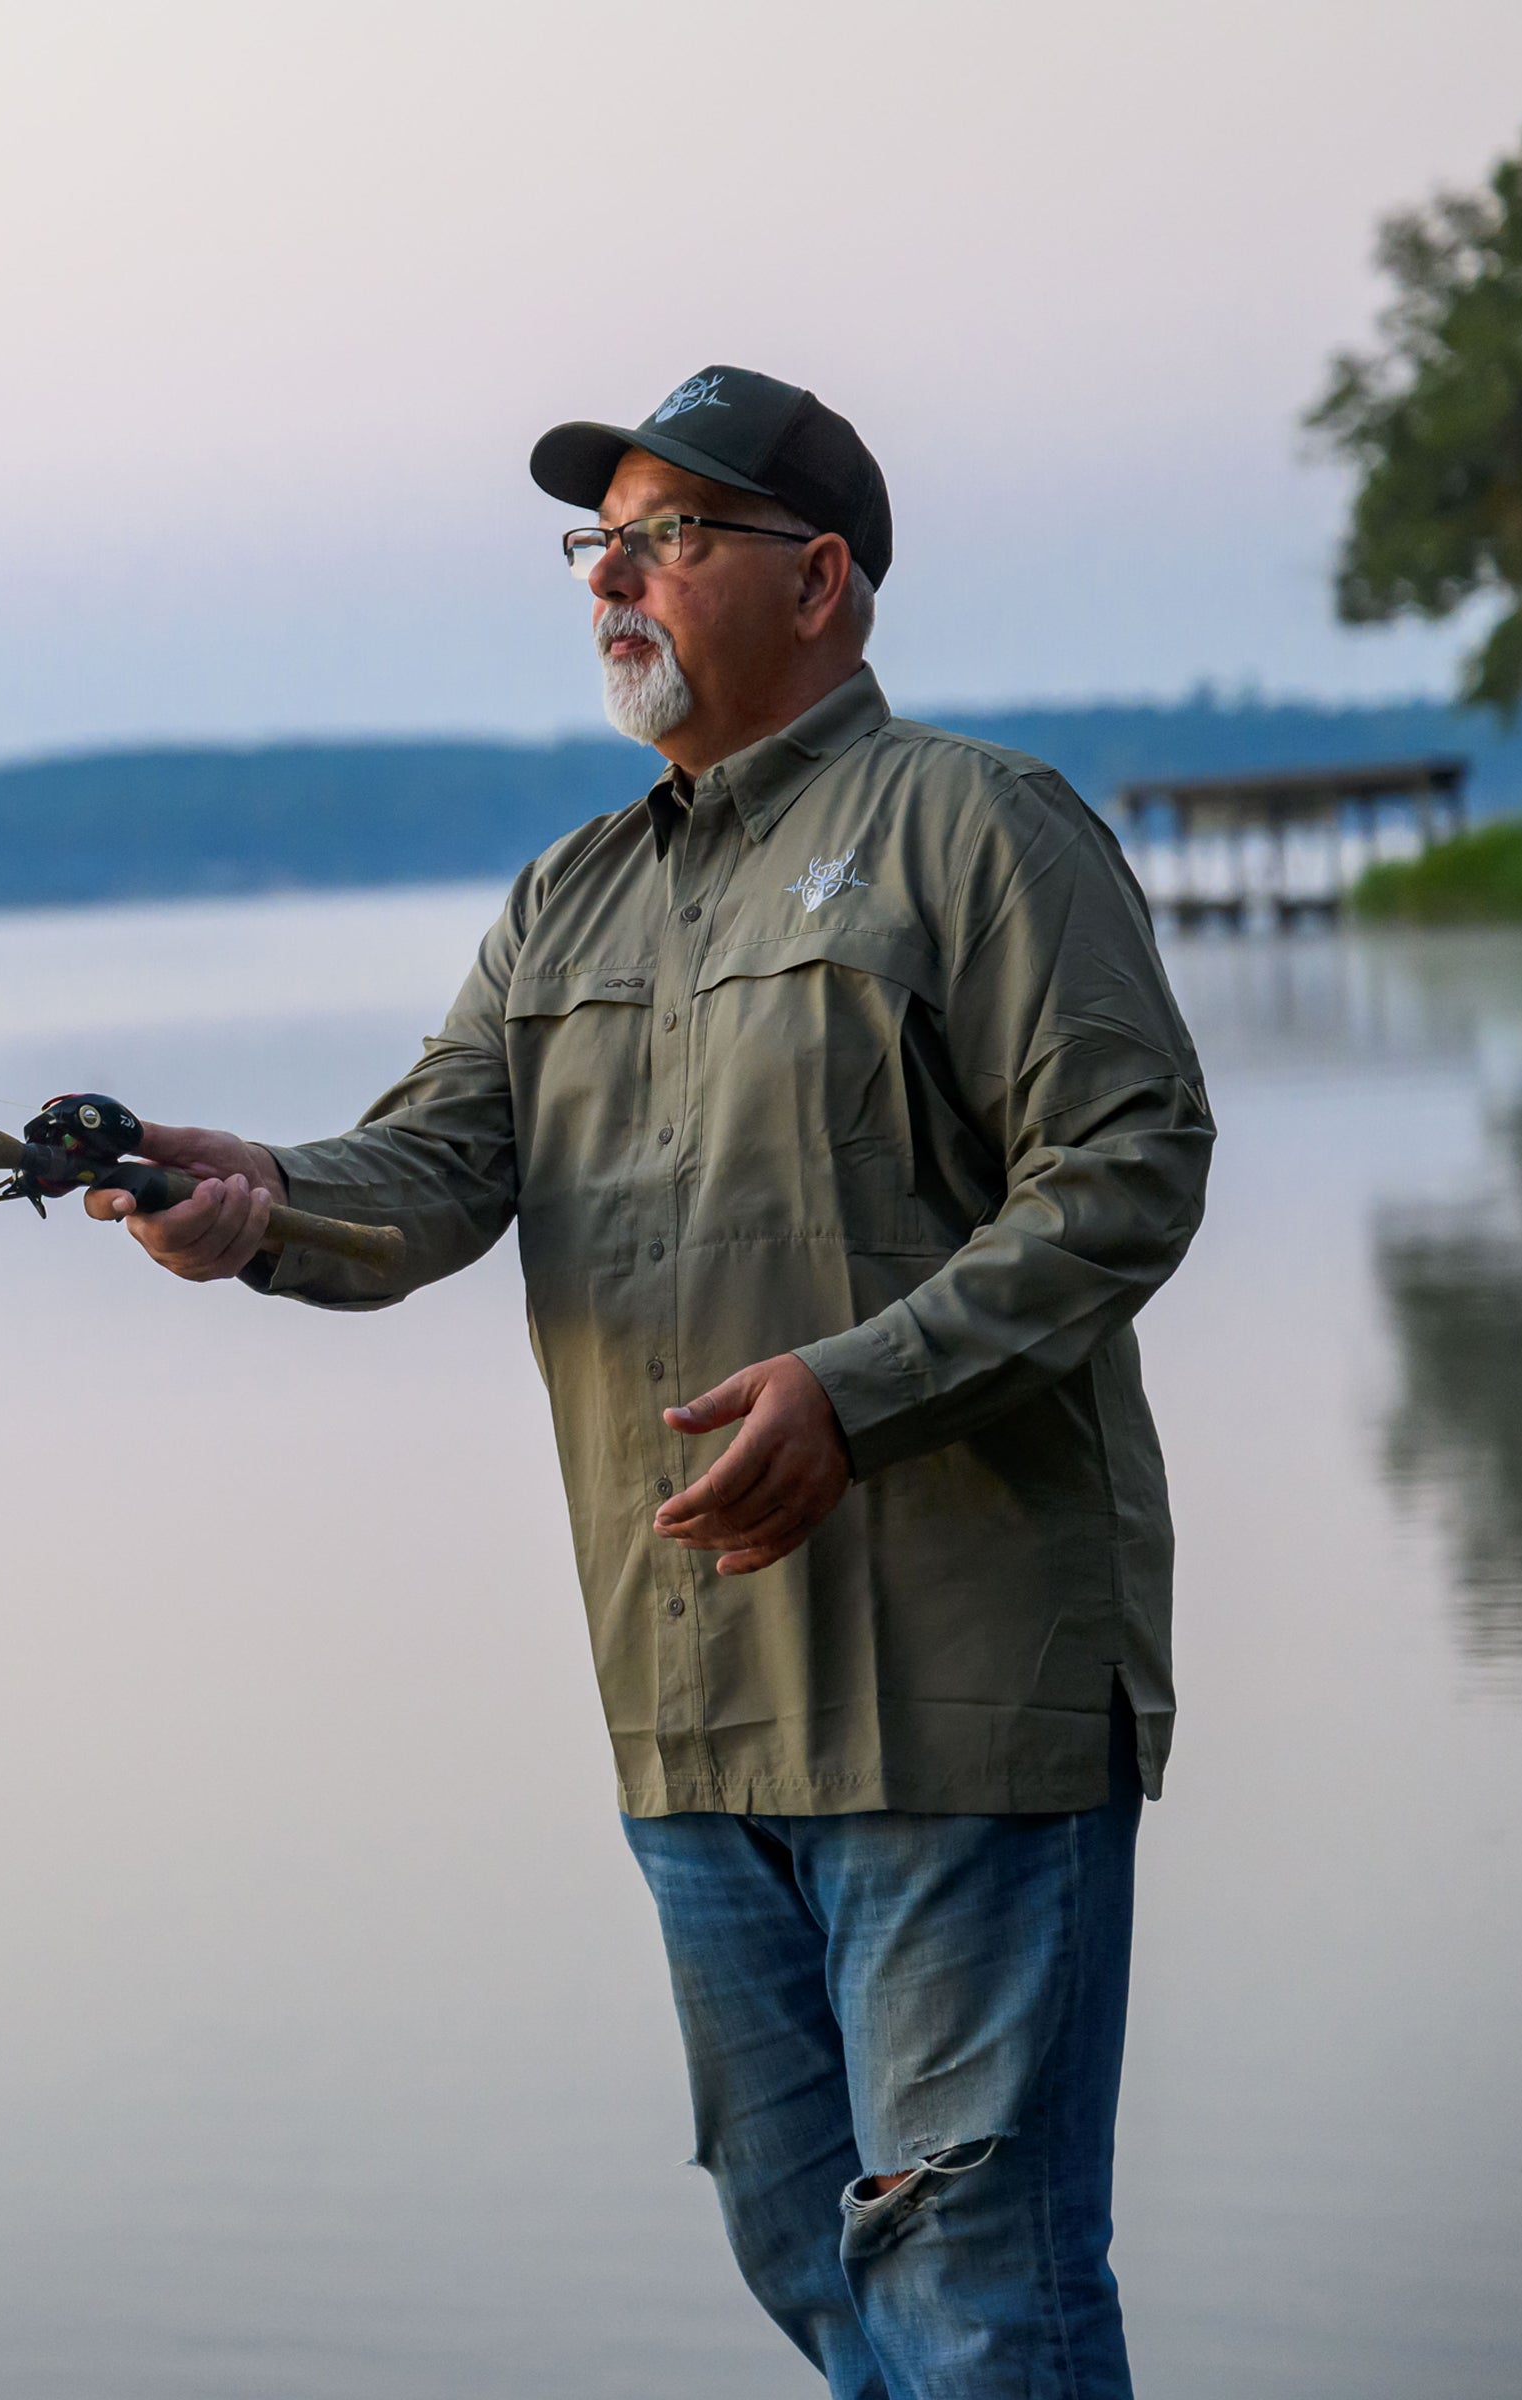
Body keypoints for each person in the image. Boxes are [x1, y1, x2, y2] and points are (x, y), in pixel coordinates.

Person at [86, 365, 1214, 2398]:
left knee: (976, 2296)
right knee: (817, 2270)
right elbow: (428, 1176)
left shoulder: (980, 825)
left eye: (668, 536)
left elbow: (1130, 1173)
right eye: (596, 545)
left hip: (963, 1711)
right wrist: (248, 1202)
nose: (614, 578)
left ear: (820, 579)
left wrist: (855, 1393)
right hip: (691, 1723)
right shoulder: (566, 897)